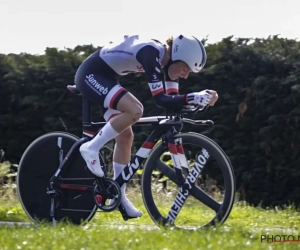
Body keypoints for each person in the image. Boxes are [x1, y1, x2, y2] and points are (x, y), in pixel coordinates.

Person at [74, 34, 218, 218]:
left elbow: (172, 101)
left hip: (107, 78)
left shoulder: (167, 64)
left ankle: (119, 195)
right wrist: (193, 97)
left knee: (126, 137)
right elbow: (160, 99)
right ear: (176, 56)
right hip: (91, 75)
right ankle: (91, 147)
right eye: (185, 68)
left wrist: (201, 100)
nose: (185, 75)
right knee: (135, 110)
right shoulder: (151, 53)